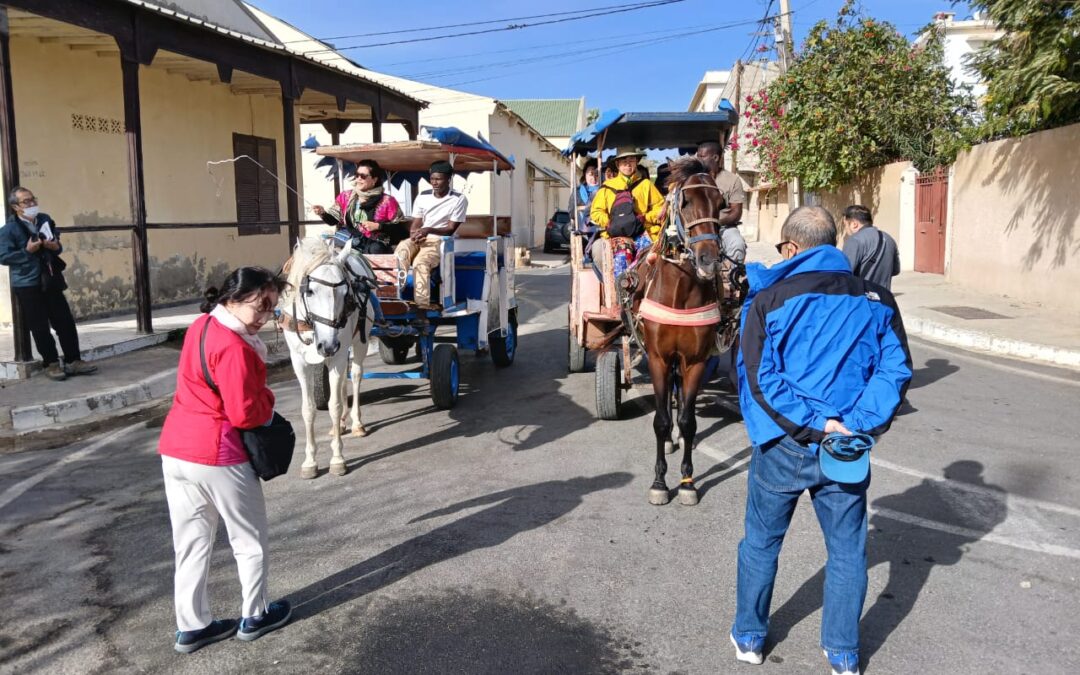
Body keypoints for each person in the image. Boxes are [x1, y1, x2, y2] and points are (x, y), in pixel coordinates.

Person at [731, 206, 911, 675]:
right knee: (848, 551)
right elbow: (895, 370)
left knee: (761, 543)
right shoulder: (877, 298)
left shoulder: (770, 297)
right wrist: (854, 424)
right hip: (847, 445)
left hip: (785, 443)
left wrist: (815, 423)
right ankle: (844, 653)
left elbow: (757, 375)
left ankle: (750, 636)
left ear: (791, 248)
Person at [158, 267, 292, 654]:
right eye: (261, 305)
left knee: (191, 544)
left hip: (176, 450)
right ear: (234, 298)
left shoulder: (202, 325)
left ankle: (192, 626)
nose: (265, 316)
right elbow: (245, 414)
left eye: (272, 308)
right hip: (218, 453)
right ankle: (256, 615)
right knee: (249, 540)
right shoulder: (235, 347)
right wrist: (269, 400)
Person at [0, 187, 97, 381]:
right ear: (15, 207)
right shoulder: (8, 230)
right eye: (26, 201)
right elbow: (3, 257)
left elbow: (57, 244)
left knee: (64, 321)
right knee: (39, 326)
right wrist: (27, 251)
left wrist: (55, 246)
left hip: (50, 277)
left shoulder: (44, 219)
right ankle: (51, 363)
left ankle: (73, 361)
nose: (32, 204)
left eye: (33, 199)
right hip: (27, 283)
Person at [395, 160, 468, 309]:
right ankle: (396, 295)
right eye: (432, 179)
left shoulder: (459, 199)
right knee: (401, 252)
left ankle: (422, 305)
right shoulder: (423, 196)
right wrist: (414, 234)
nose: (434, 183)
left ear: (448, 179)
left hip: (439, 241)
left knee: (420, 263)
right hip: (420, 237)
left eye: (438, 179)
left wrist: (428, 230)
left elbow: (450, 229)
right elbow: (416, 223)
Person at [589, 147, 664, 277]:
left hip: (643, 232)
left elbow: (661, 208)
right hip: (617, 234)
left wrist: (645, 217)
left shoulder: (646, 184)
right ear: (617, 164)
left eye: (631, 160)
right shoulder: (607, 187)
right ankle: (621, 287)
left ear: (636, 162)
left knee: (652, 257)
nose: (628, 164)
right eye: (624, 161)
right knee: (622, 259)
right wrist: (610, 222)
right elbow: (596, 212)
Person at [312, 159, 405, 255]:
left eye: (363, 176)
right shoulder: (346, 196)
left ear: (374, 180)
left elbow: (400, 230)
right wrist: (322, 213)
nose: (359, 178)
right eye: (357, 175)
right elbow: (333, 220)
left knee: (376, 249)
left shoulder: (387, 201)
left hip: (375, 246)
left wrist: (378, 226)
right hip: (350, 242)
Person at [695, 141, 748, 263]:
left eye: (702, 156)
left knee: (737, 244)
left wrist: (713, 223)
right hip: (697, 229)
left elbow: (736, 213)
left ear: (715, 157)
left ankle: (733, 274)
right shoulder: (693, 179)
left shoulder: (732, 180)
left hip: (724, 228)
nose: (698, 159)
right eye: (698, 156)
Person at [841, 204, 900, 290]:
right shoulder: (889, 239)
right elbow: (896, 270)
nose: (845, 229)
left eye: (845, 225)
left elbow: (843, 273)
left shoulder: (854, 240)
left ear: (854, 224)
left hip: (862, 295)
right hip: (884, 296)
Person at [568, 157, 601, 229]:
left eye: (597, 175)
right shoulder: (577, 192)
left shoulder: (605, 191)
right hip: (583, 230)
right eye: (591, 174)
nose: (594, 178)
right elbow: (572, 213)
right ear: (585, 175)